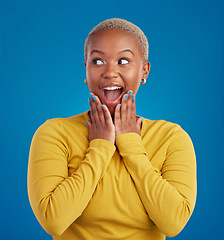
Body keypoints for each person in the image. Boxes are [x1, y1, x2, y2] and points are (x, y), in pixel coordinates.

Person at [28, 18, 197, 240]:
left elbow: (174, 223)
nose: (109, 72)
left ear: (144, 71)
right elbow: (53, 221)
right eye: (97, 61)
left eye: (123, 60)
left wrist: (131, 145)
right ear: (86, 71)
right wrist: (100, 146)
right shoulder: (55, 133)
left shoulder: (171, 138)